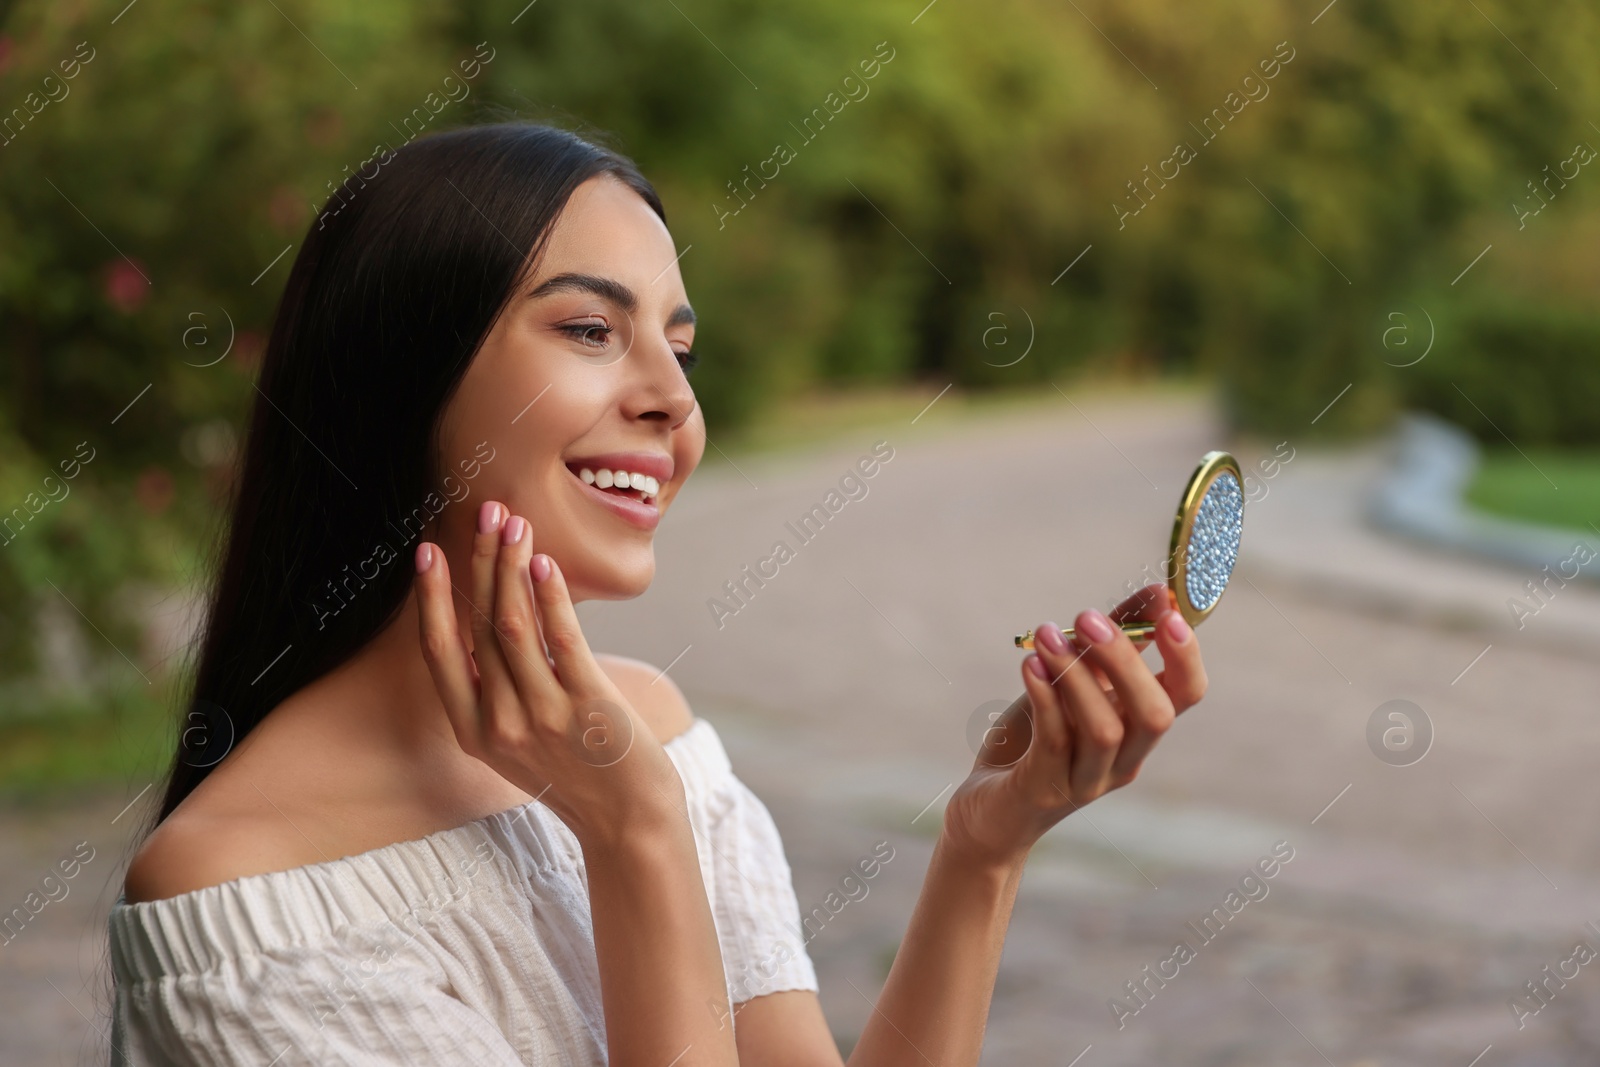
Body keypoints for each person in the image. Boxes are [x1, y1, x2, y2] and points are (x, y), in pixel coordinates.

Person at [110, 120, 1208, 1066]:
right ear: (401, 375)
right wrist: (633, 830)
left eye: (679, 348)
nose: (672, 401)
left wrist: (986, 846)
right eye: (590, 329)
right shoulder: (237, 900)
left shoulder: (659, 737)